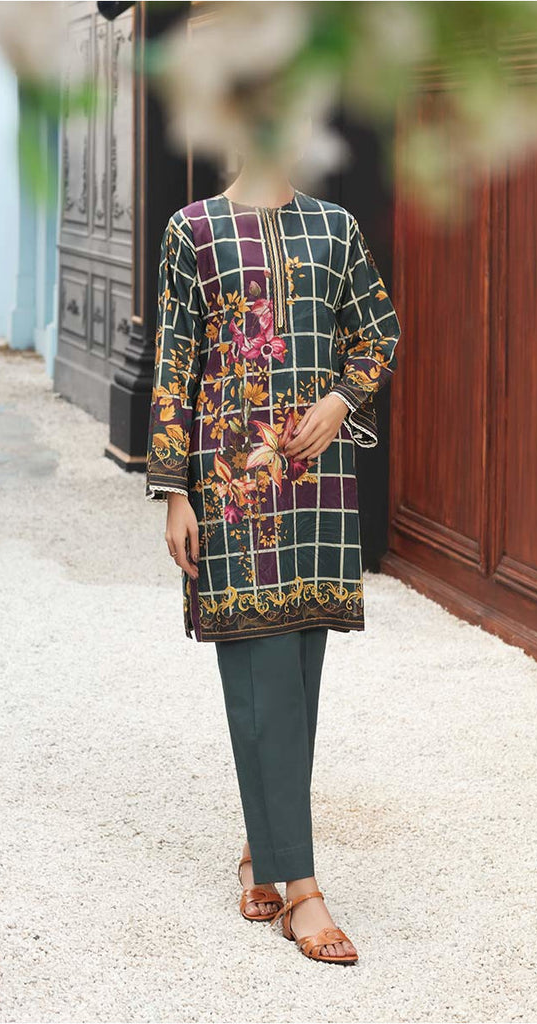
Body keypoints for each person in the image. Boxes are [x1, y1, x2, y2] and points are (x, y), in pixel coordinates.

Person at [144, 155, 401, 965]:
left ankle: (264, 846)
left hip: (316, 486)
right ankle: (303, 891)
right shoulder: (192, 231)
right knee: (261, 677)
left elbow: (378, 333)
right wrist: (174, 491)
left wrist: (340, 399)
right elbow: (174, 363)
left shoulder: (336, 228)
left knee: (295, 681)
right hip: (230, 487)